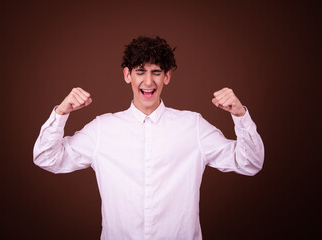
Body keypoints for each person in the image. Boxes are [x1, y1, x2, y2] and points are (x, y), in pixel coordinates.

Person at [33, 36, 264, 240]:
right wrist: (61, 113)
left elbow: (250, 162)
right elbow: (46, 157)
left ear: (167, 77)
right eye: (140, 72)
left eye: (156, 72)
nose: (148, 82)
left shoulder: (192, 126)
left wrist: (240, 116)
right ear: (127, 75)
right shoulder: (102, 129)